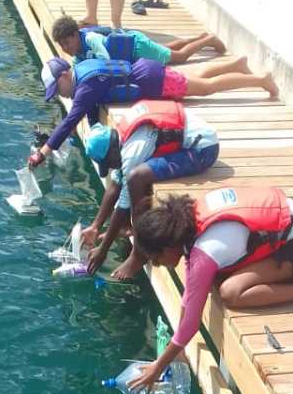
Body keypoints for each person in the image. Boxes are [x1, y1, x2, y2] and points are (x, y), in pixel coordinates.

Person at [126, 186, 293, 393]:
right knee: (218, 279)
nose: (158, 264)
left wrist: (158, 366)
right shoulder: (190, 218)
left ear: (169, 246)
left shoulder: (204, 254)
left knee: (231, 293)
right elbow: (190, 295)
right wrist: (177, 349)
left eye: (156, 258)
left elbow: (191, 322)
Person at [29, 55, 276, 166]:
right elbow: (89, 109)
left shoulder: (84, 88)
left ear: (65, 75)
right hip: (147, 72)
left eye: (57, 88)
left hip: (152, 81)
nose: (59, 94)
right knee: (193, 79)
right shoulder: (82, 70)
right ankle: (236, 64)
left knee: (205, 88)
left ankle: (261, 80)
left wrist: (43, 153)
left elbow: (71, 121)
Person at [81, 100, 220, 277]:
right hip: (192, 141)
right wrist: (95, 226)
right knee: (131, 177)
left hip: (202, 151)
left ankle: (138, 255)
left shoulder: (132, 152)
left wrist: (103, 249)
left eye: (109, 163)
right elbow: (116, 183)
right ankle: (127, 227)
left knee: (136, 178)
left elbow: (123, 204)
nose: (111, 168)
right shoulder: (121, 138)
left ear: (113, 153)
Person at [51, 15, 226, 66]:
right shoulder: (78, 54)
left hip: (137, 47)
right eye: (62, 45)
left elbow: (106, 61)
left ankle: (208, 40)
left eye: (67, 42)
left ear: (76, 34)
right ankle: (200, 38)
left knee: (179, 57)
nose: (65, 48)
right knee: (164, 48)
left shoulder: (90, 39)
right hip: (133, 46)